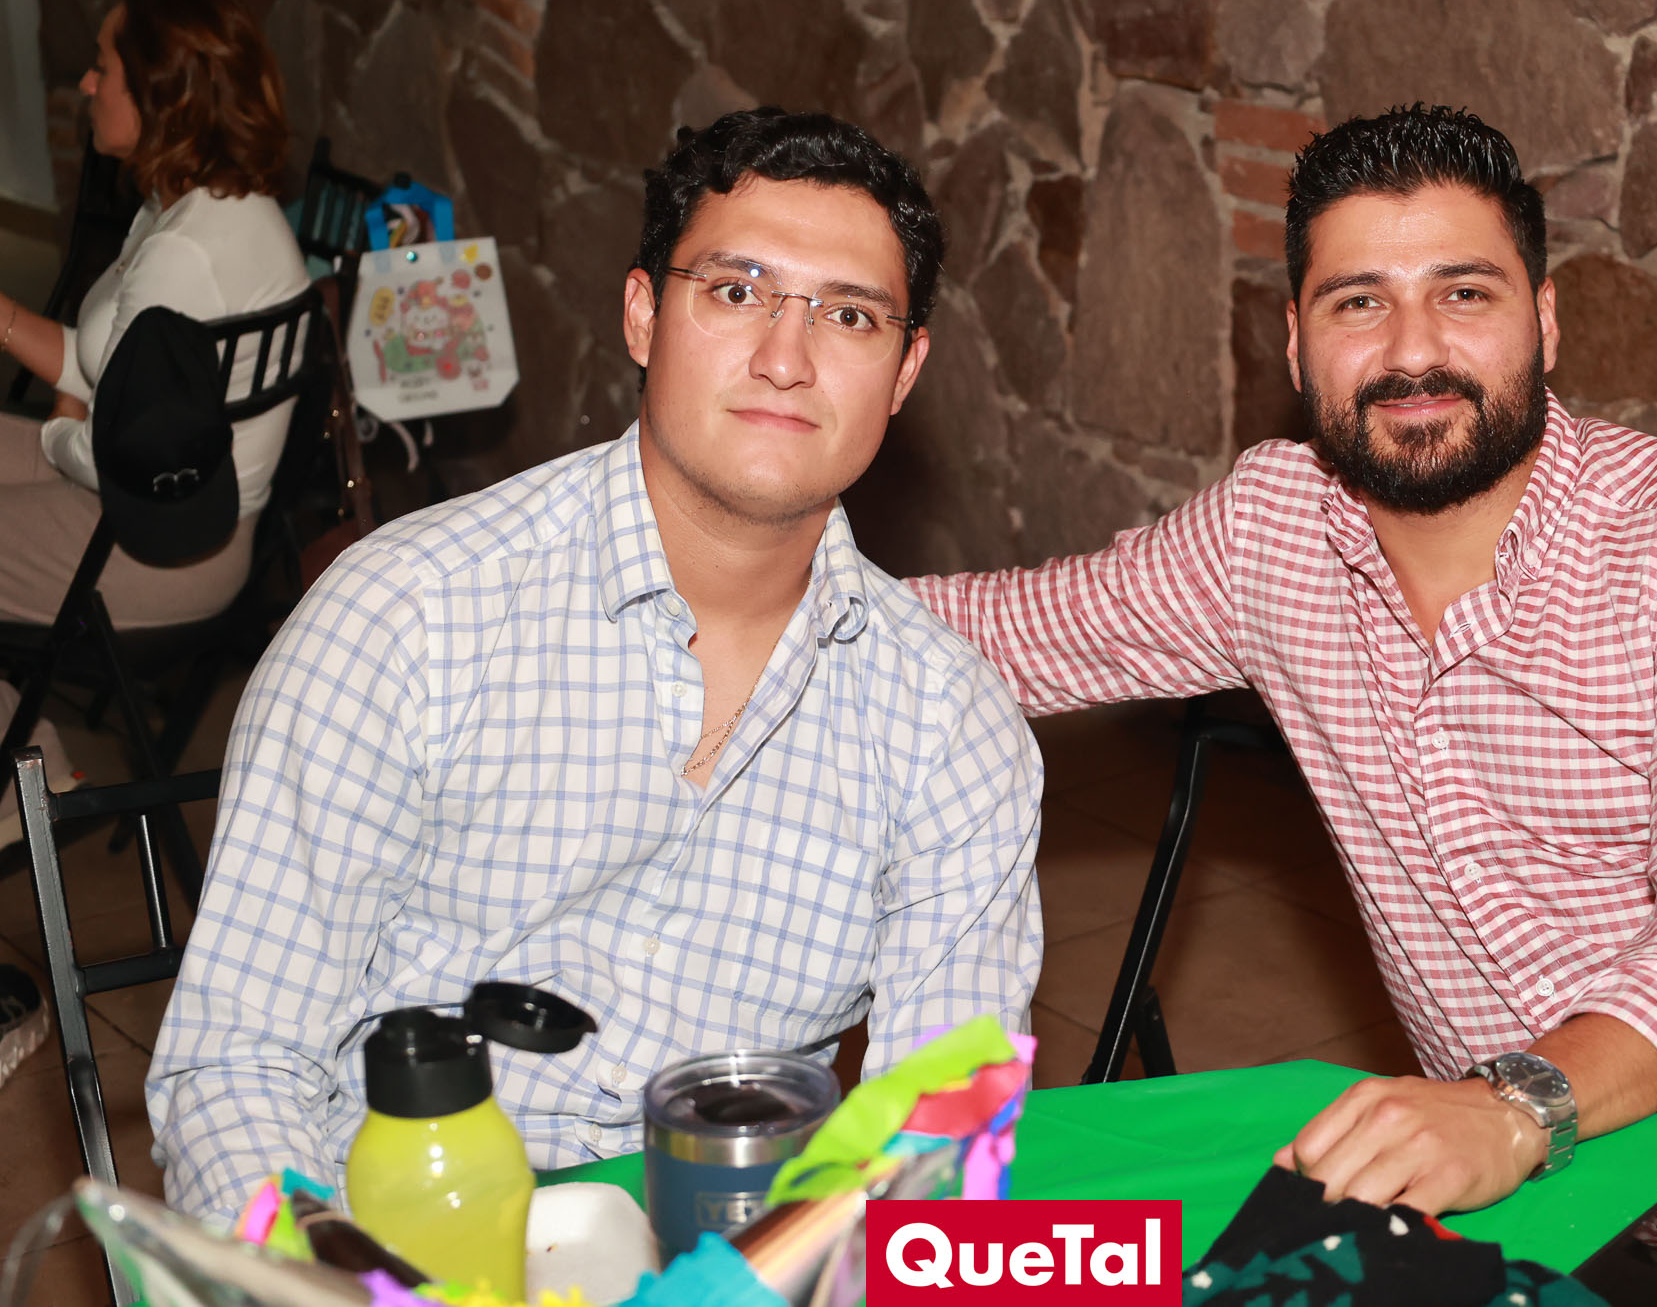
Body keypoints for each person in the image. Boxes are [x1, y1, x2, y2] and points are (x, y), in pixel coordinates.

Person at [911, 104, 1657, 1212]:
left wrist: (1512, 1107)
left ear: (1543, 321)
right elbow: (989, 633)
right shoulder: (1266, 533)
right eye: (1360, 302)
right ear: (1296, 343)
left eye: (1463, 293)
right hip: (1561, 1190)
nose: (1413, 352)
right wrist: (783, 546)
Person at [146, 108, 1044, 1224]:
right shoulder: (409, 617)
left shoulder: (950, 725)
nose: (785, 357)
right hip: (388, 1244)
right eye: (735, 291)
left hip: (733, 1262)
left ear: (903, 371)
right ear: (642, 315)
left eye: (849, 315)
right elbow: (235, 1069)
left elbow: (940, 1141)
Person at [0, 0, 310, 628]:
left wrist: (59, 428)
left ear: (158, 95)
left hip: (156, 548)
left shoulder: (183, 254)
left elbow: (102, 453)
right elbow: (104, 368)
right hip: (143, 506)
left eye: (102, 68)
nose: (87, 85)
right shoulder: (201, 203)